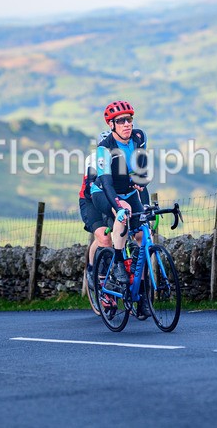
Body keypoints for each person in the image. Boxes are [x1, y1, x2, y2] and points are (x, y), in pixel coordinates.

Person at [89, 101, 151, 316]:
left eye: (130, 119)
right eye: (121, 121)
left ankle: (142, 296)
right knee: (121, 216)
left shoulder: (139, 138)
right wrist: (118, 204)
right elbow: (106, 183)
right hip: (103, 193)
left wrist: (140, 184)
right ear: (111, 124)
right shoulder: (104, 149)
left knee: (144, 237)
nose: (127, 124)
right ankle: (117, 261)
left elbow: (142, 172)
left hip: (129, 192)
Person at [80, 131, 114, 289]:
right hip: (91, 198)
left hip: (111, 198)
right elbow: (90, 187)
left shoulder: (122, 156)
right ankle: (93, 270)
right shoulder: (93, 159)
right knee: (104, 237)